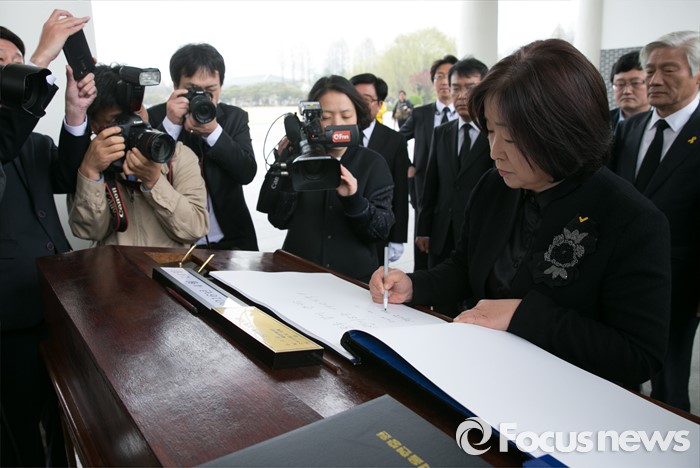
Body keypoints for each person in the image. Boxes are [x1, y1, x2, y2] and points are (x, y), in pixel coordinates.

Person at [370, 39, 672, 388]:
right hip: (484, 378)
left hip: (566, 397)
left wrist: (520, 314)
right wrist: (414, 285)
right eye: (491, 131)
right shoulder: (495, 186)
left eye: (512, 139)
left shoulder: (631, 219)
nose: (495, 151)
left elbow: (637, 356)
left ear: (565, 132)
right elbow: (465, 267)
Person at [0, 11, 96, 466]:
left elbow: (66, 176)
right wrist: (37, 60)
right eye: (0, 64)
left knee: (66, 422)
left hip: (59, 305)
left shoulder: (34, 141)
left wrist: (75, 116)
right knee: (19, 436)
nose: (10, 69)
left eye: (14, 61)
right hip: (9, 321)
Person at [611, 30, 700, 411]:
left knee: (669, 379)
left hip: (680, 281)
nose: (655, 80)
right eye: (650, 70)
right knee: (618, 367)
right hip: (619, 275)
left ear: (697, 75)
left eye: (669, 70)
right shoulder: (629, 129)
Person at [259, 75, 395, 283]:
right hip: (297, 277)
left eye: (346, 115)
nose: (337, 124)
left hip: (354, 283)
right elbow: (278, 220)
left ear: (358, 117)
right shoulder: (297, 159)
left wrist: (354, 199)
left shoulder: (373, 163)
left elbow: (381, 231)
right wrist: (286, 165)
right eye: (325, 117)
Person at [68, 64, 209, 247]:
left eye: (137, 113)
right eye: (118, 120)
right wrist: (91, 172)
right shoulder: (87, 160)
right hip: (115, 265)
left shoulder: (179, 156)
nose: (134, 124)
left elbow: (195, 230)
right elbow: (89, 231)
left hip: (168, 265)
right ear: (94, 125)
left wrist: (154, 182)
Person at [148, 43, 258, 251]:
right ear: (175, 86)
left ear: (220, 87)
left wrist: (213, 132)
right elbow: (145, 173)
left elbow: (247, 172)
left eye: (210, 91)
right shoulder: (155, 117)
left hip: (232, 241)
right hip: (172, 242)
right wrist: (171, 125)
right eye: (192, 90)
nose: (201, 97)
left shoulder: (234, 118)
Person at [416, 57, 492, 312]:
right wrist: (424, 229)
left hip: (479, 232)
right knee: (440, 304)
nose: (461, 95)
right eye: (456, 88)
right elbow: (431, 185)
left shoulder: (495, 134)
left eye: (470, 87)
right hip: (442, 232)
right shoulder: (442, 132)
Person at [400, 54, 458, 271]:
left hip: (455, 192)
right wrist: (407, 166)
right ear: (433, 81)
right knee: (423, 250)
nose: (444, 81)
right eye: (439, 76)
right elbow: (398, 139)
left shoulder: (468, 115)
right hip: (424, 190)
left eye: (449, 76)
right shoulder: (421, 114)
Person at [350, 72, 410, 264]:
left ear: (380, 104)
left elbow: (401, 192)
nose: (359, 105)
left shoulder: (395, 140)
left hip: (378, 230)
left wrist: (397, 237)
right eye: (354, 99)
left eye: (366, 100)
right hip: (343, 230)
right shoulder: (336, 139)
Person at [609, 51, 651, 135]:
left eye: (635, 83)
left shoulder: (661, 122)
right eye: (620, 84)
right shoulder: (601, 121)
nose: (627, 91)